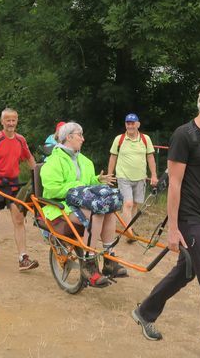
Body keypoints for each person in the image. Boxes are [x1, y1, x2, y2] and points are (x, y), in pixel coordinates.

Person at [131, 86, 200, 358]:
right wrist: (173, 228)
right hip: (188, 220)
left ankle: (144, 312)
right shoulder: (184, 135)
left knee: (185, 271)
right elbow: (175, 184)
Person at [40, 121, 127, 286]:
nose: (83, 139)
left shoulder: (84, 160)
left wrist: (97, 180)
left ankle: (109, 260)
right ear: (69, 137)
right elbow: (51, 190)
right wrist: (77, 187)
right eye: (80, 135)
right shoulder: (53, 161)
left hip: (82, 204)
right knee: (96, 213)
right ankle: (88, 265)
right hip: (60, 206)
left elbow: (87, 182)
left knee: (108, 210)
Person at [0, 108, 38, 271]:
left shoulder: (20, 140)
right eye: (8, 120)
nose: (11, 123)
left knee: (18, 219)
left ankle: (23, 258)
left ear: (17, 121)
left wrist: (38, 176)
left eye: (14, 120)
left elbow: (29, 158)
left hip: (14, 185)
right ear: (2, 122)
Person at [107, 113, 158, 240]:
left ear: (138, 124)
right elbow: (113, 157)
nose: (130, 126)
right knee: (128, 204)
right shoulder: (119, 139)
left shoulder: (146, 139)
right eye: (127, 123)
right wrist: (109, 175)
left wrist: (154, 175)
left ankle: (131, 228)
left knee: (135, 204)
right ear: (125, 124)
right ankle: (129, 233)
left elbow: (150, 157)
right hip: (123, 176)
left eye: (132, 123)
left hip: (140, 178)